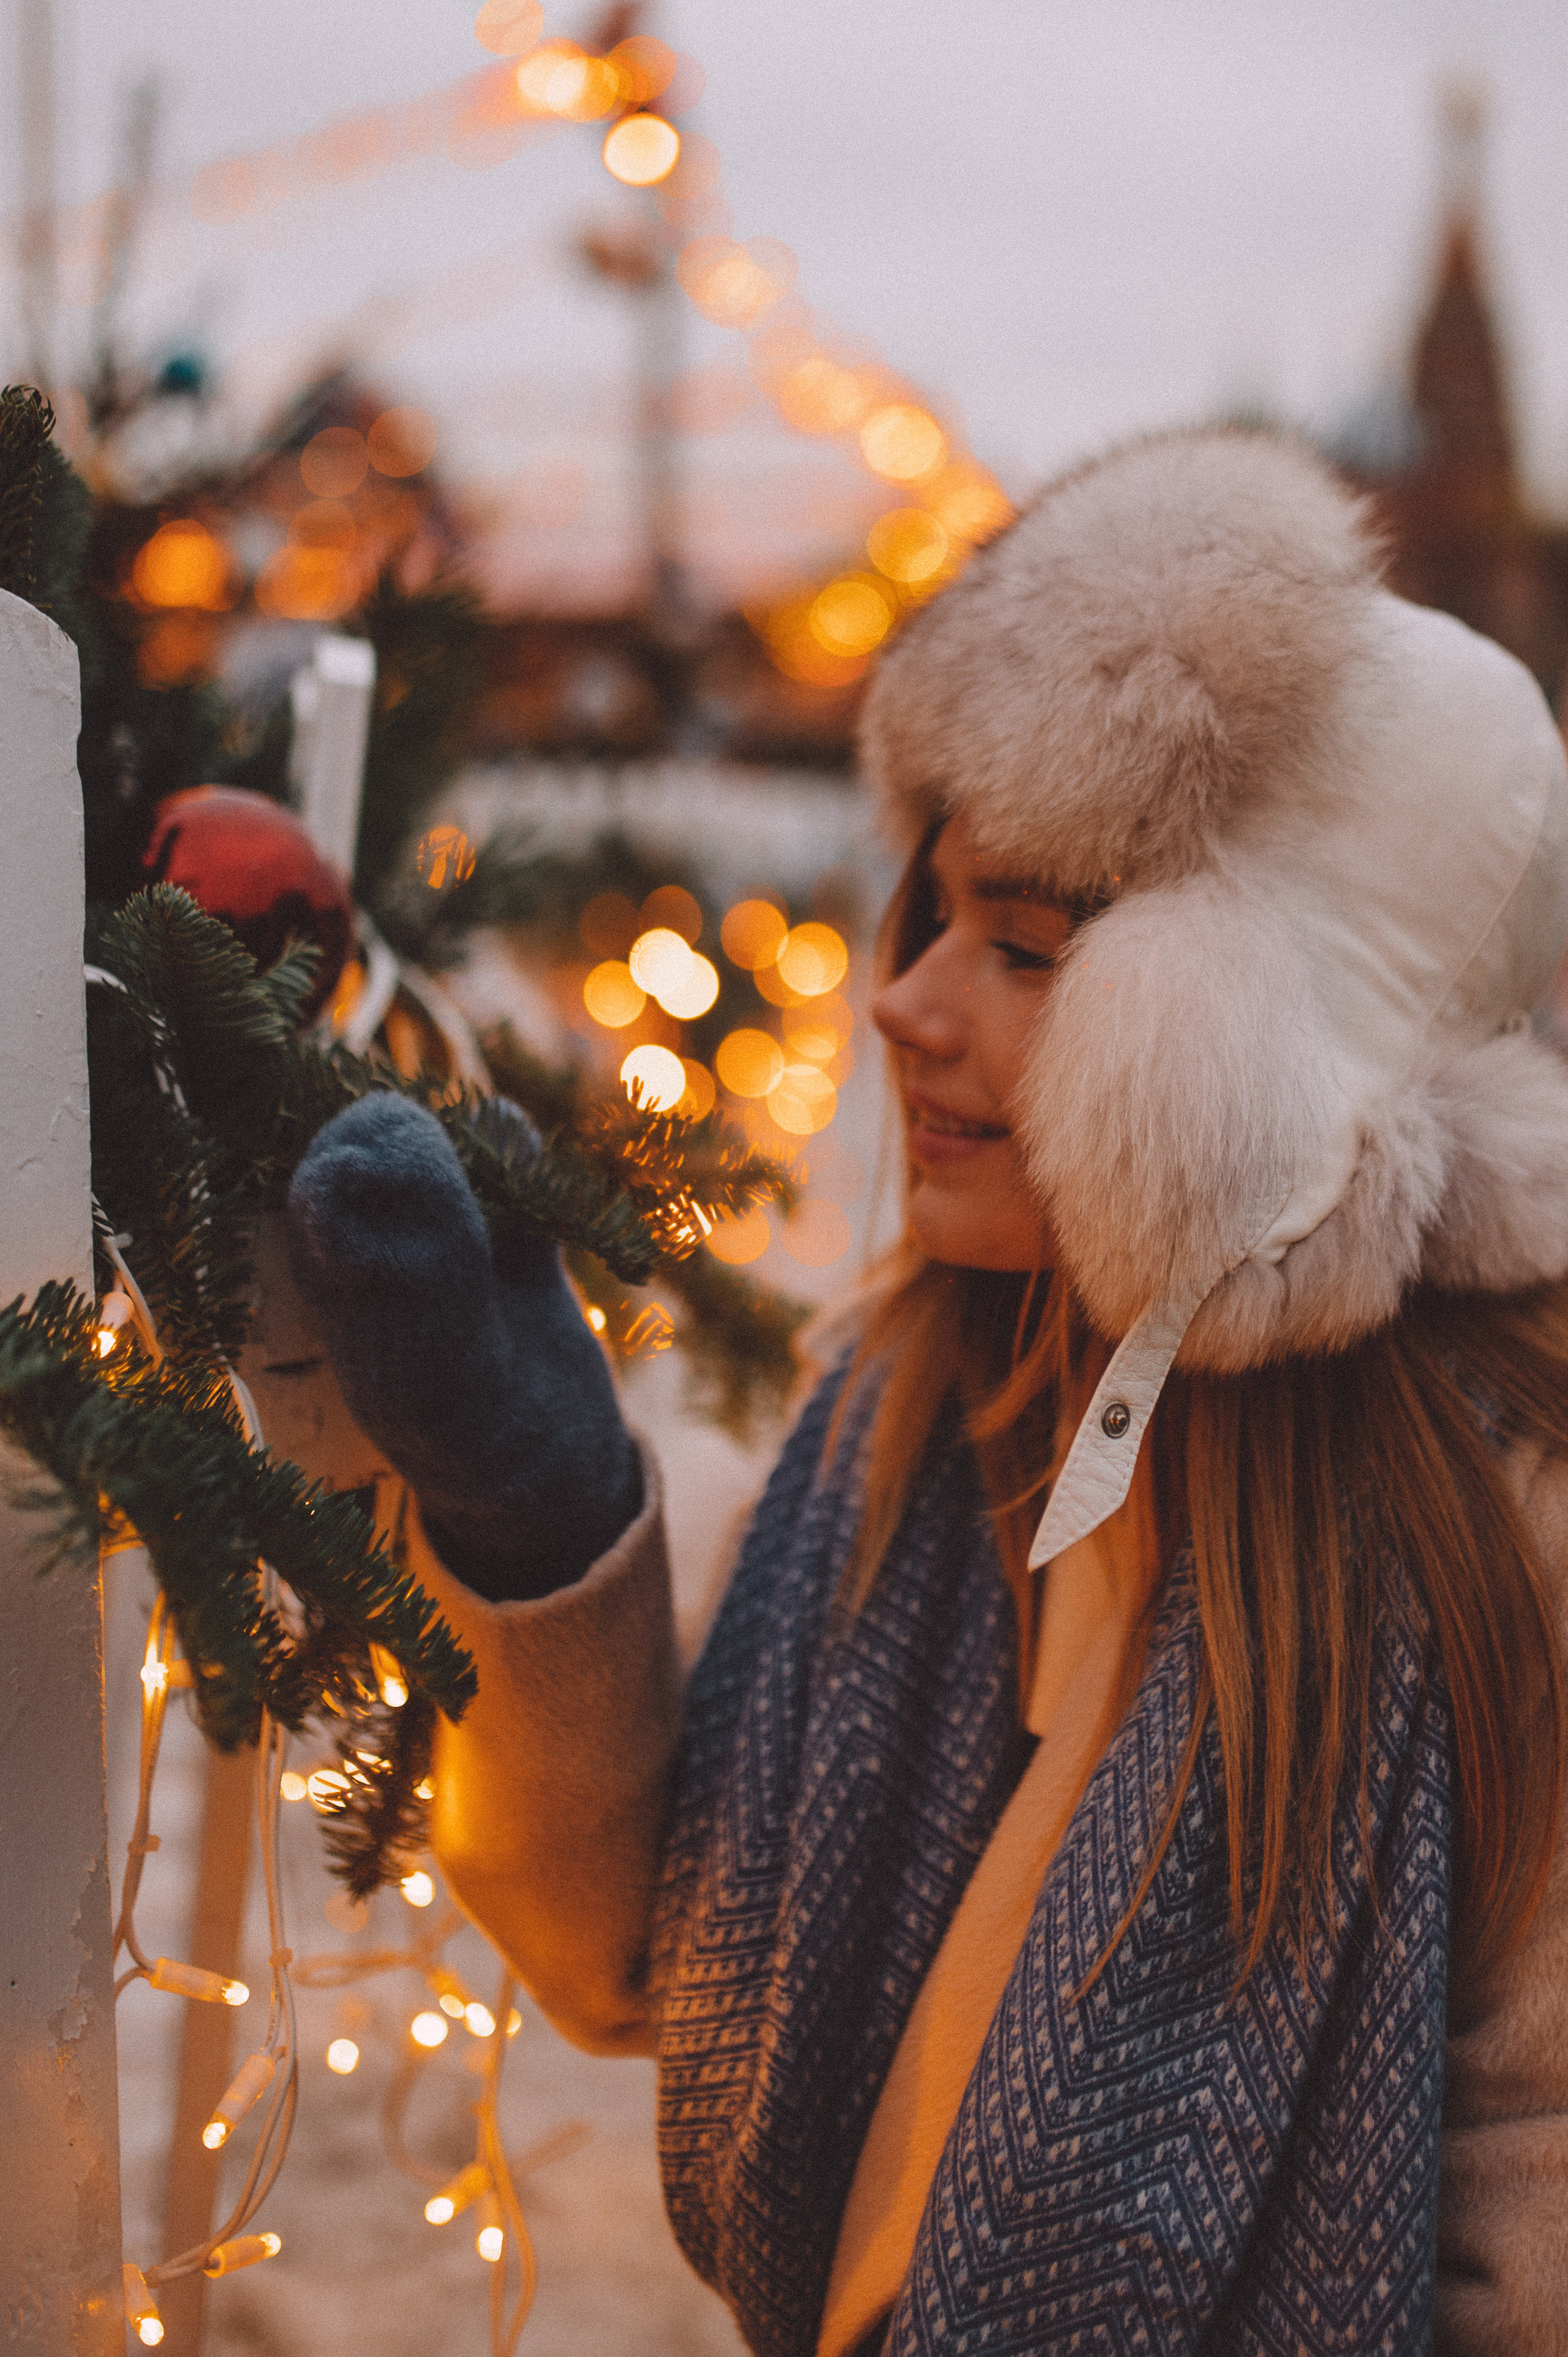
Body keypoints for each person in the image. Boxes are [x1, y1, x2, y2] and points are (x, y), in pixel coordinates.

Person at [285, 429, 1568, 2356]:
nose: (905, 1000)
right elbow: (657, 1957)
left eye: (1033, 949)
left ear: (1264, 1069)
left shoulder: (1499, 1528)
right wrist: (533, 1516)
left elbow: (1530, 2217)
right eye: (937, 913)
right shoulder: (914, 1416)